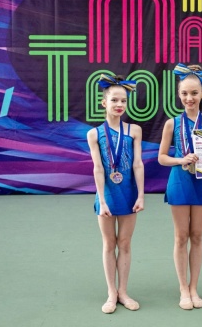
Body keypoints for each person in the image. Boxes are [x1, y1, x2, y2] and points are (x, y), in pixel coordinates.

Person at [158, 63, 202, 310]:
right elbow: (162, 158)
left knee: (197, 236)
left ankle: (194, 287)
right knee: (181, 237)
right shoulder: (171, 124)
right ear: (179, 95)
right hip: (179, 181)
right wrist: (181, 160)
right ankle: (182, 288)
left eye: (194, 93)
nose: (189, 98)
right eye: (184, 93)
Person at [87, 74, 145, 314]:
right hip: (107, 195)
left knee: (125, 243)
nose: (119, 104)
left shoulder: (134, 130)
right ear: (104, 103)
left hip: (129, 194)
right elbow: (98, 168)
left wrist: (141, 195)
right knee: (109, 243)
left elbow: (138, 164)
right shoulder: (94, 134)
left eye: (123, 100)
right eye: (114, 100)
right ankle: (111, 292)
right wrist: (102, 200)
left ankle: (123, 291)